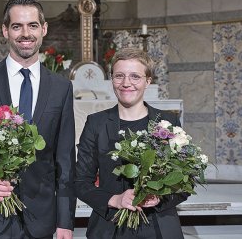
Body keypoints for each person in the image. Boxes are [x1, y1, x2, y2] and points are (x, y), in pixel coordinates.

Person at [0, 0, 76, 239]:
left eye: (32, 25)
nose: (25, 33)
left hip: (41, 218)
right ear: (5, 31)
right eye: (17, 26)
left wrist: (65, 221)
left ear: (43, 29)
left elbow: (65, 160)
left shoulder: (61, 88)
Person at [75, 48, 188, 239]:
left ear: (148, 81)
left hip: (159, 227)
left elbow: (184, 181)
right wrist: (115, 199)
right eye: (119, 76)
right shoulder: (96, 123)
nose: (126, 83)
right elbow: (80, 182)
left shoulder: (167, 123)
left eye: (135, 76)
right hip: (110, 227)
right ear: (112, 79)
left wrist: (159, 197)